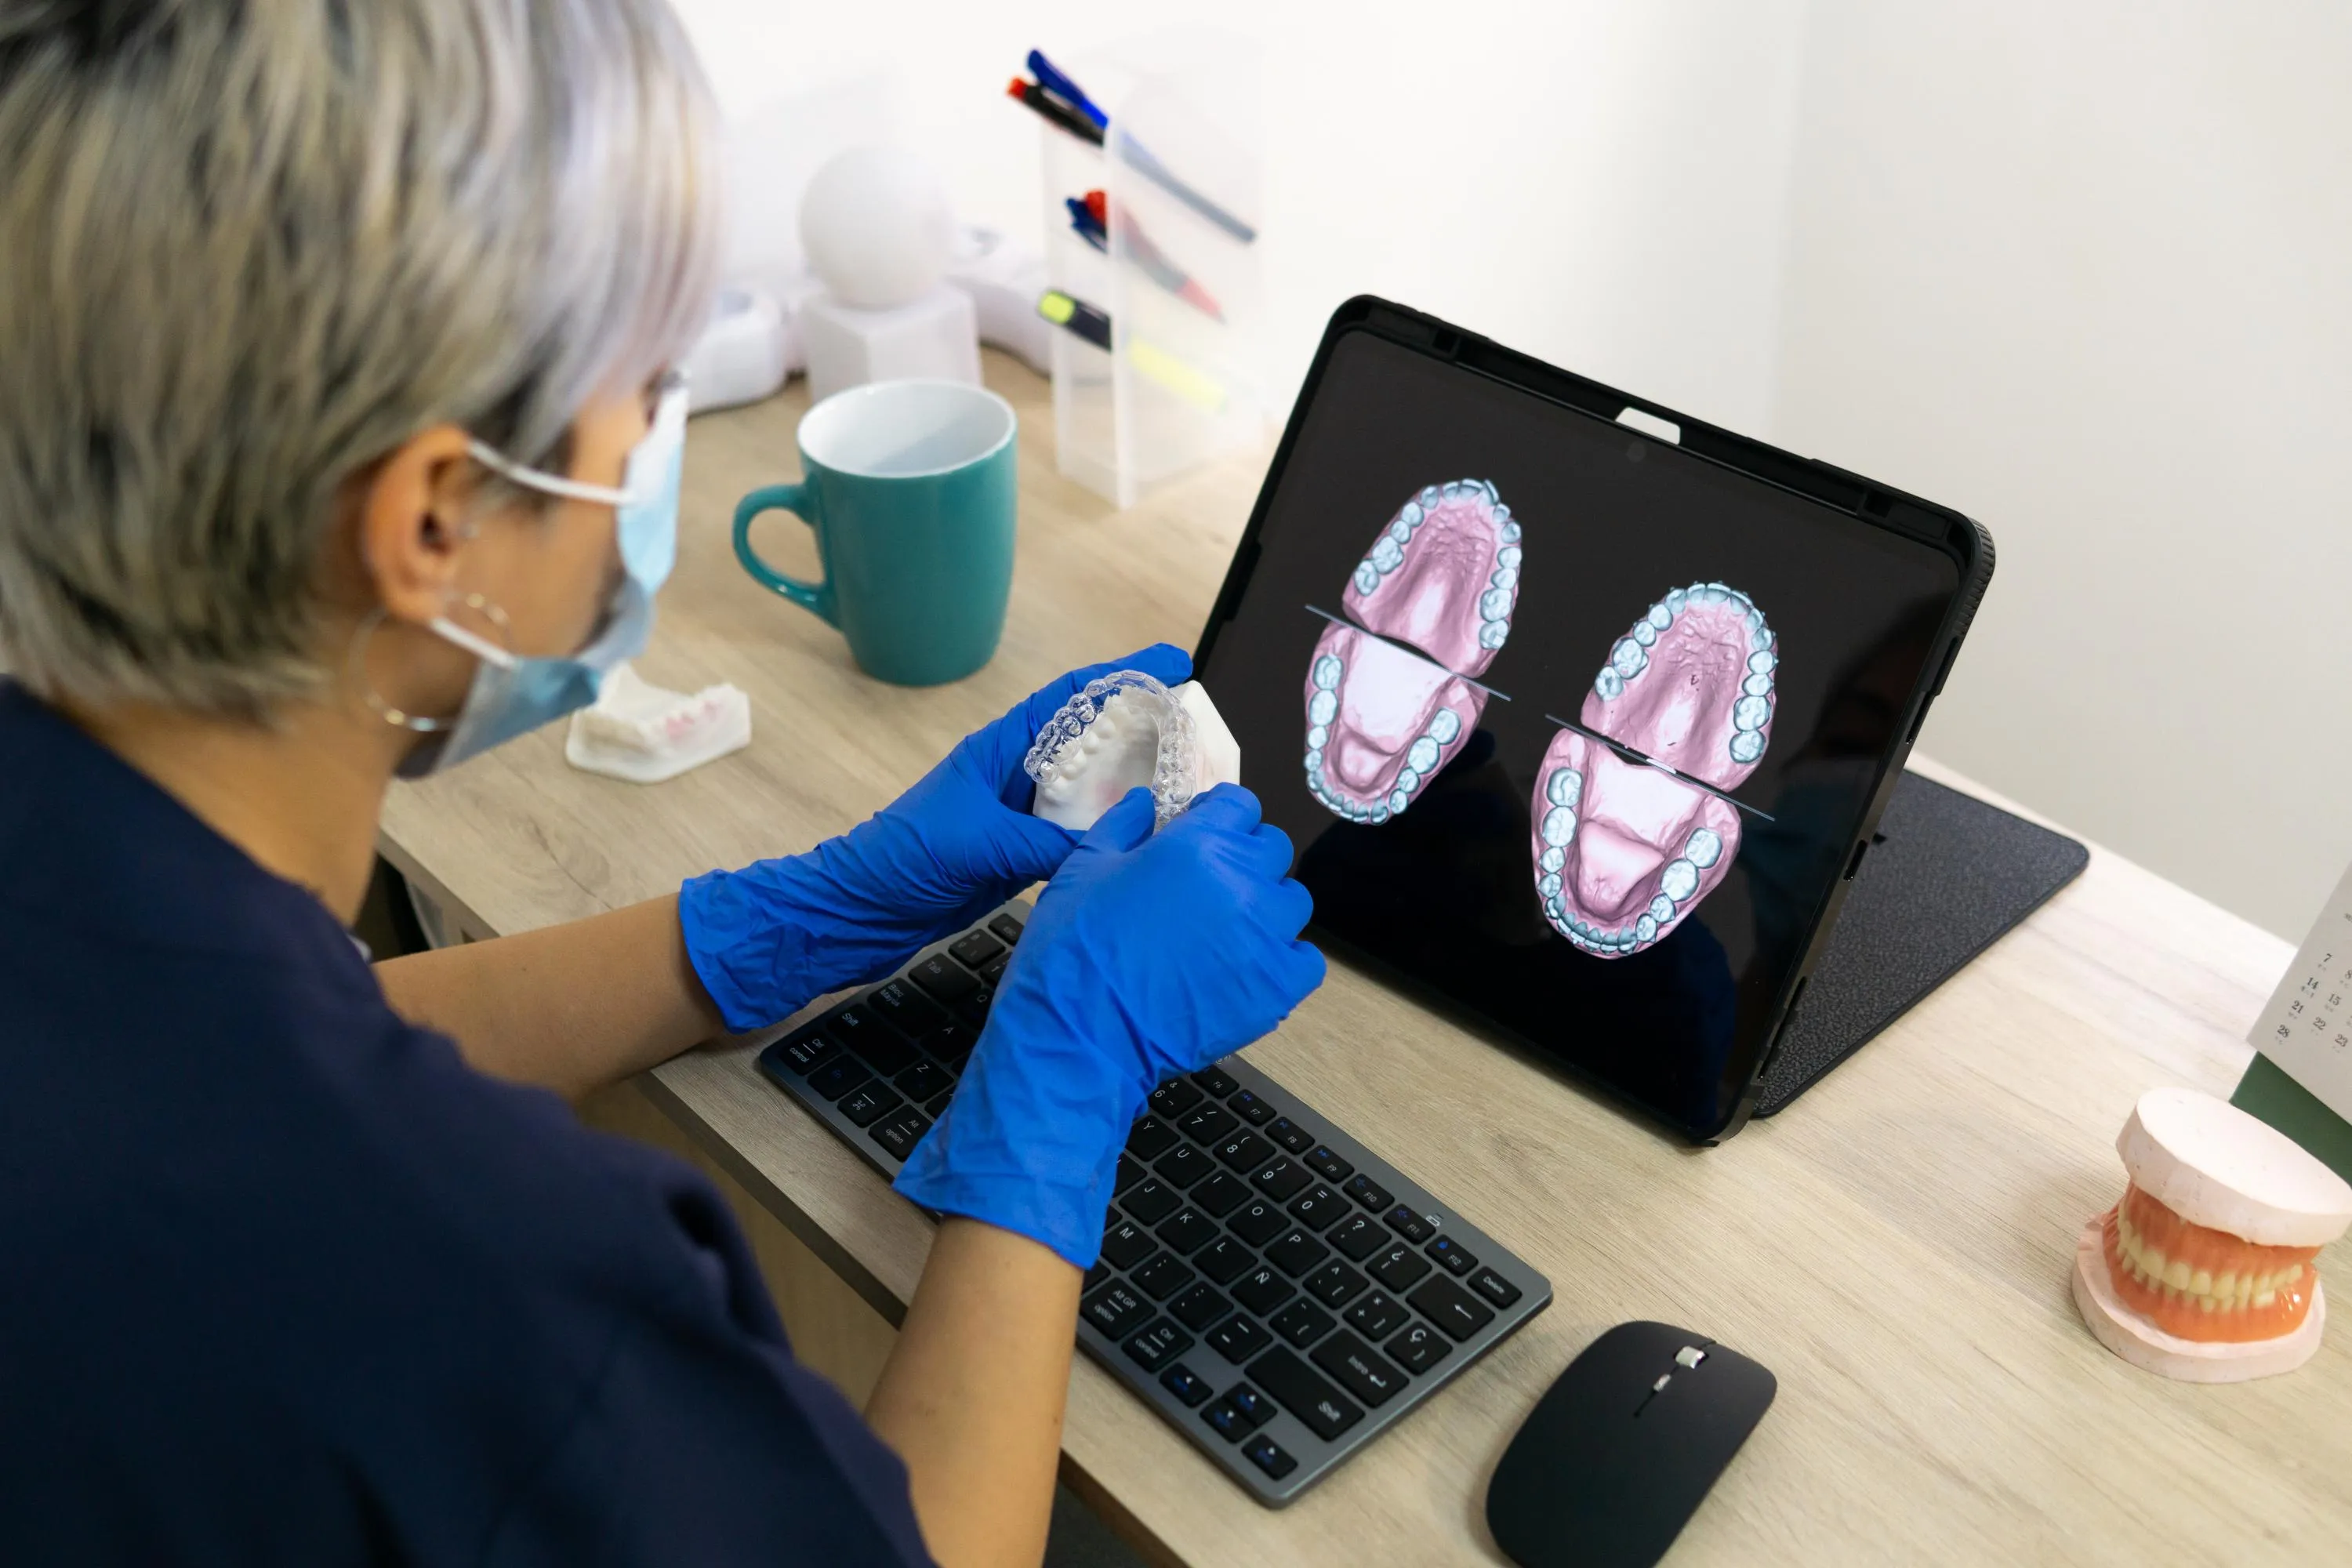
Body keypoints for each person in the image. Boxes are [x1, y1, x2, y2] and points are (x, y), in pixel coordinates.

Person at [0, 3, 1323, 1564]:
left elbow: (235, 1065)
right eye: (647, 384)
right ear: (433, 520)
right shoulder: (499, 1288)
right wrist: (1068, 1075)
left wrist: (783, 919)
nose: (657, 446)